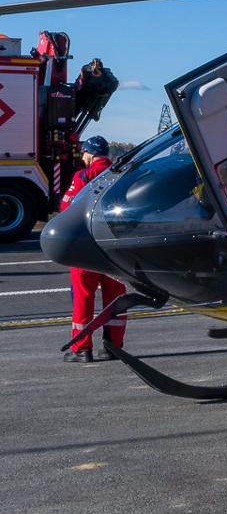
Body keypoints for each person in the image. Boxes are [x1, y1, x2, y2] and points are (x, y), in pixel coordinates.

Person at [64, 136, 126, 362]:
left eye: (83, 153)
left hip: (85, 246)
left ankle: (82, 349)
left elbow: (66, 206)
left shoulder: (83, 176)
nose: (82, 157)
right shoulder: (121, 175)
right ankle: (114, 346)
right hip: (115, 247)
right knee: (115, 296)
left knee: (83, 296)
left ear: (90, 154)